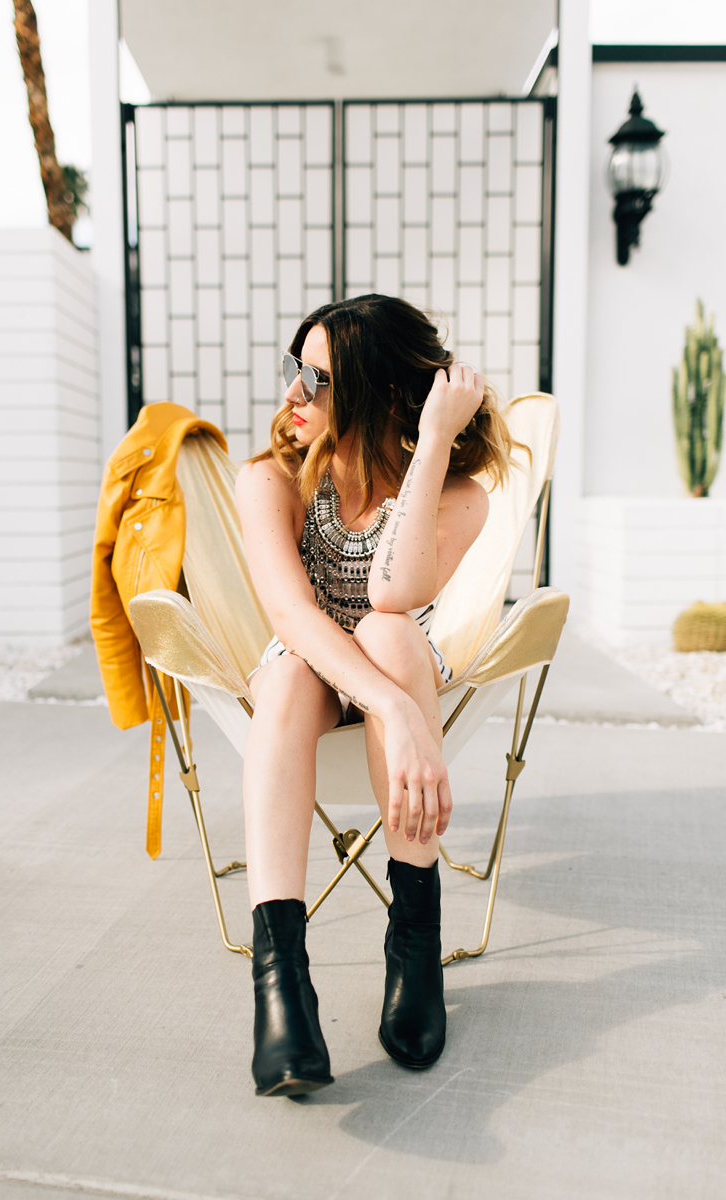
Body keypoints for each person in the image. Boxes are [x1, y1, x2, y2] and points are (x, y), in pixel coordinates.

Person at [235, 294, 516, 1097]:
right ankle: (281, 988)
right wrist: (392, 709)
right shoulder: (272, 480)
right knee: (287, 668)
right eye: (294, 370)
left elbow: (394, 593)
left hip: (400, 665)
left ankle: (414, 947)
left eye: (316, 381)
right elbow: (291, 615)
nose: (293, 394)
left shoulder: (460, 495)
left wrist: (428, 445)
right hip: (320, 673)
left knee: (390, 631)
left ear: (382, 396)